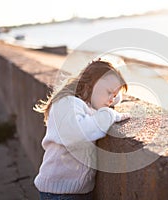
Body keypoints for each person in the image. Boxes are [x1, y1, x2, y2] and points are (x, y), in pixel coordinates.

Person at [33, 59, 131, 200]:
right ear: (90, 85)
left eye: (114, 95)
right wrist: (109, 115)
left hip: (78, 190)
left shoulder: (90, 103)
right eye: (109, 92)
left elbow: (113, 97)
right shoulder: (67, 103)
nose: (111, 100)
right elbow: (80, 133)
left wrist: (113, 93)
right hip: (59, 192)